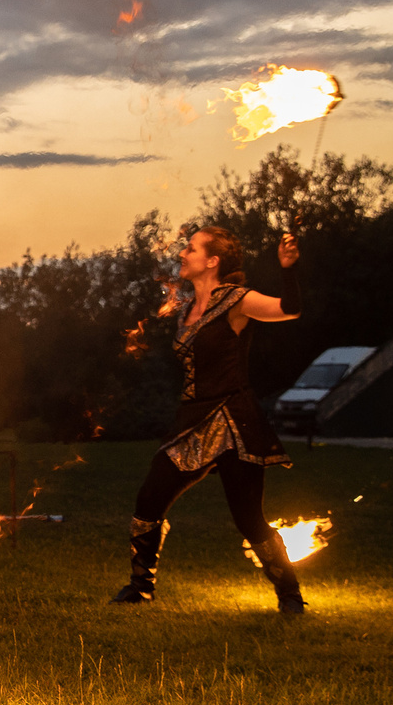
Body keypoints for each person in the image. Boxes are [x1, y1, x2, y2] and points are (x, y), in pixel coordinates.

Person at [112, 224, 308, 613]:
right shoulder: (185, 310)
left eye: (191, 248)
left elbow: (290, 309)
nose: (182, 254)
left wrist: (288, 269)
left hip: (234, 420)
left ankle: (290, 595)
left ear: (212, 261)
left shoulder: (237, 300)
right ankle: (140, 586)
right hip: (192, 421)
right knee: (149, 500)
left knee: (249, 519)